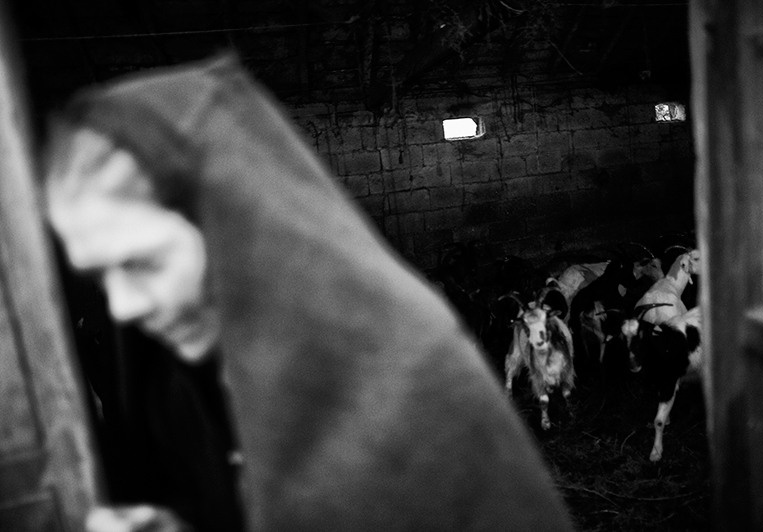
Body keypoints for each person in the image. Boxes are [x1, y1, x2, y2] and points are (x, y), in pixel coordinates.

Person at [44, 53, 574, 531]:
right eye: (99, 276)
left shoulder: (409, 381)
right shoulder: (171, 387)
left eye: (142, 263)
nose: (121, 307)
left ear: (236, 229)